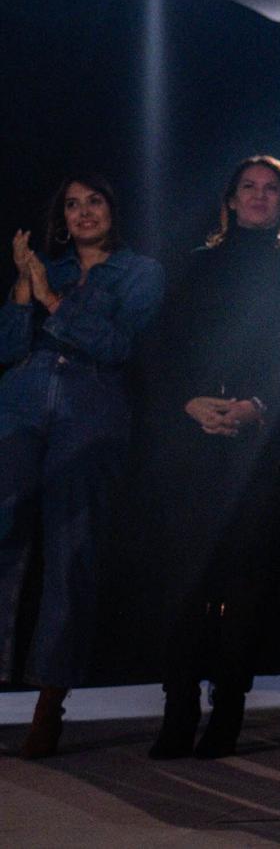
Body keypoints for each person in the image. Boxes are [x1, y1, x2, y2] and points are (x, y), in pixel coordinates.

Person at [150, 155, 280, 759]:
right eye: (248, 187)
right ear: (229, 199)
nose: (258, 197)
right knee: (184, 583)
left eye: (270, 189)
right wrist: (190, 402)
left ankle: (226, 712)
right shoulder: (198, 265)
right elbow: (166, 348)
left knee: (244, 588)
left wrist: (258, 405)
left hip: (261, 448)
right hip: (194, 441)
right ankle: (177, 712)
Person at [0, 175, 164, 758]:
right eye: (72, 204)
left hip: (91, 407)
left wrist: (49, 298)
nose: (83, 211)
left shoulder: (139, 272)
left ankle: (50, 703)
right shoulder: (47, 266)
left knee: (72, 550)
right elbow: (8, 347)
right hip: (22, 398)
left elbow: (121, 346)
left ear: (113, 210)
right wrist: (25, 283)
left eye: (94, 200)